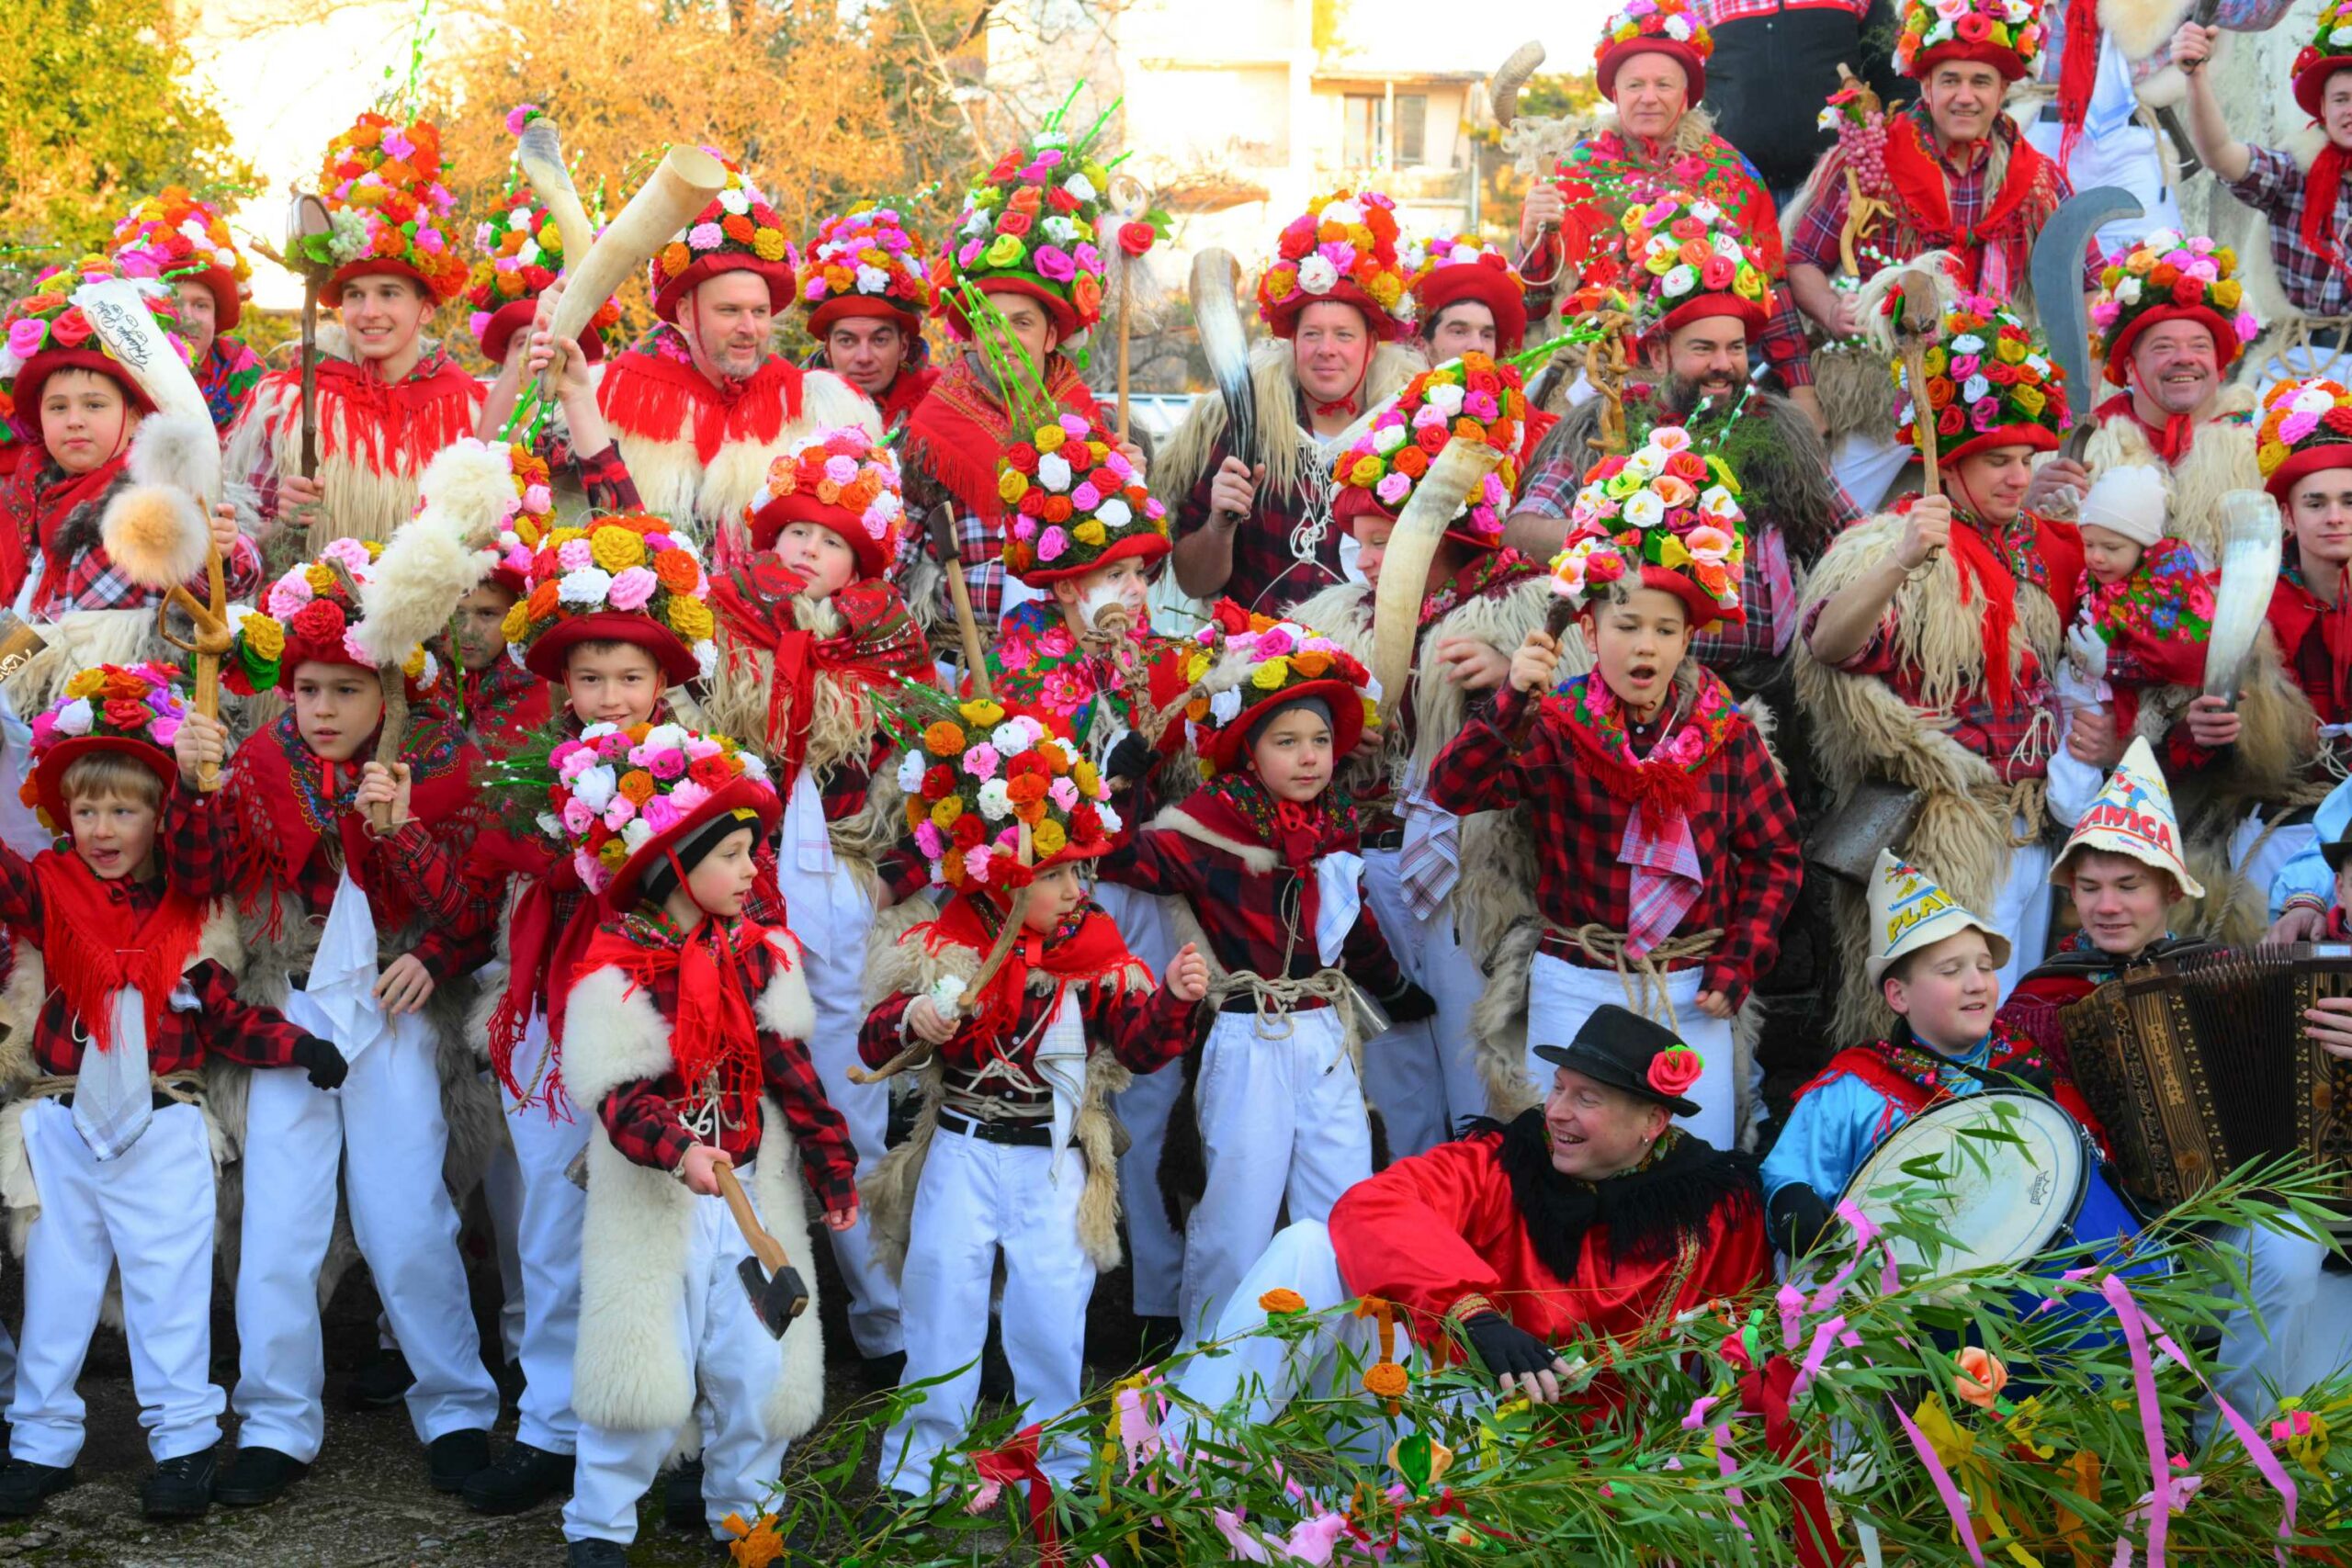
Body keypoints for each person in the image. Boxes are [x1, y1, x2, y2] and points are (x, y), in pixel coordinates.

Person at [166, 541, 501, 1506]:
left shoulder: (435, 765)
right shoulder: (254, 764)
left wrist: (427, 942)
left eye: (344, 691)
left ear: (387, 693)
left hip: (392, 1016)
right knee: (278, 1228)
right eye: (306, 688)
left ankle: (455, 1408)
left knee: (408, 1222)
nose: (320, 709)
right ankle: (275, 1420)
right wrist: (198, 789)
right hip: (288, 1005)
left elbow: (469, 911)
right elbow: (197, 881)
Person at [0, 665, 342, 1522]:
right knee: (55, 1291)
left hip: (164, 1120)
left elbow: (226, 1019)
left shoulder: (194, 910)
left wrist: (300, 1045)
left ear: (158, 816)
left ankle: (184, 1443)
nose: (103, 828)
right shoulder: (48, 888)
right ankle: (39, 1443)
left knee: (170, 1291)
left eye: (124, 810)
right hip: (64, 1118)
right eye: (86, 811)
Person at [447, 500, 725, 1513]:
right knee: (554, 1232)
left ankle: (684, 1442)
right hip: (551, 1015)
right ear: (561, 683)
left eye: (632, 678)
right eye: (590, 678)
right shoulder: (526, 779)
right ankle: (556, 1426)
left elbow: (744, 895)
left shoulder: (711, 782)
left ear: (666, 682)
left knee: (671, 1232)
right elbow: (489, 864)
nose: (610, 697)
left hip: (667, 1020)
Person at [860, 705, 1207, 1496]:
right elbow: (874, 1045)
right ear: (1001, 877)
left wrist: (1179, 1001)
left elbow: (1144, 1047)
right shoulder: (942, 941)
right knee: (941, 1306)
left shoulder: (1094, 947)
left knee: (1052, 1317)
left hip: (1054, 1159)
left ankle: (1055, 1468)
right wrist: (913, 1016)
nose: (1075, 886)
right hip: (961, 1148)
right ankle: (920, 1472)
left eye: (1078, 869)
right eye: (1053, 872)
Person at [1426, 424, 1802, 1149]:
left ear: (1688, 638)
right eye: (1627, 624)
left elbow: (1777, 853)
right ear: (1591, 632)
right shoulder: (1557, 721)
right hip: (1580, 978)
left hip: (1695, 985)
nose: (1646, 646)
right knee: (1575, 1161)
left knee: (1693, 1169)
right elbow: (1455, 789)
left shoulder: (1728, 733)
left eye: (1666, 629)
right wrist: (1508, 704)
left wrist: (1742, 954)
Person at [548, 727, 858, 1568]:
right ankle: (601, 1524)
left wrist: (833, 1162)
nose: (754, 870)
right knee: (643, 1373)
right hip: (660, 1201)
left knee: (757, 1362)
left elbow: (794, 1075)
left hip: (750, 1195)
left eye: (752, 852)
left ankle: (744, 1514)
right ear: (676, 867)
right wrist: (678, 1147)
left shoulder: (762, 958)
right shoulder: (616, 970)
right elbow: (619, 1098)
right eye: (733, 853)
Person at [1176, 1004, 1767, 1435]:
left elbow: (1745, 1364)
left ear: (1653, 1122)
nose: (1555, 1112)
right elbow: (1372, 1206)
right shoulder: (1505, 1163)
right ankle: (1177, 1474)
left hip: (1595, 1471)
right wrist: (1473, 1314)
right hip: (1449, 1409)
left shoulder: (1712, 1212)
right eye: (1558, 1088)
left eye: (1586, 1099)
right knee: (1309, 1244)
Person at [1099, 607, 1433, 1341]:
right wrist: (1128, 783)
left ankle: (1342, 1376)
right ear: (1247, 749)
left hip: (1322, 1034)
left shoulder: (1333, 822)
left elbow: (1352, 925)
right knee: (1236, 1211)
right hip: (1249, 1033)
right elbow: (1126, 860)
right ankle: (1213, 1385)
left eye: (1320, 740)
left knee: (1344, 1199)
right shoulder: (1210, 821)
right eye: (1286, 741)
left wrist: (1396, 987)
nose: (1308, 756)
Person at [1997, 742, 2327, 1427]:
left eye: (2129, 886)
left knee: (2293, 1247)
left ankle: (2231, 1454)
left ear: (2170, 892)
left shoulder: (2229, 971)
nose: (2107, 906)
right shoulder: (2039, 1000)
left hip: (2221, 1220)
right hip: (2108, 1231)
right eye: (2090, 888)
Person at [698, 427, 934, 1376]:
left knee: (850, 1102)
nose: (805, 553)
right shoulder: (718, 631)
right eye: (794, 533)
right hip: (737, 884)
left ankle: (885, 1324)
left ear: (860, 560)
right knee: (734, 1091)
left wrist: (889, 876)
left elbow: (935, 786)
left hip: (839, 887)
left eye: (830, 542)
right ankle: (757, 1339)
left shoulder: (891, 651)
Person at [1796, 294, 2082, 1042]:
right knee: (1934, 1035)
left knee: (2012, 1025)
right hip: (1942, 824)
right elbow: (1830, 644)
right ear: (1950, 462)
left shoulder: (2044, 547)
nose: (2018, 478)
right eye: (1998, 461)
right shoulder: (1889, 543)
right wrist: (1899, 560)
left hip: (2032, 825)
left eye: (2027, 460)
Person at [1292, 354, 1550, 1158]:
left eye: (1382, 542)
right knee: (1394, 1066)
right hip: (1367, 867)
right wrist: (1331, 734)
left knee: (1481, 1060)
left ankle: (1495, 1208)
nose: (1367, 560)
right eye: (1360, 541)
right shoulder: (1332, 616)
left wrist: (1510, 680)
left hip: (1470, 875)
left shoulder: (1523, 605)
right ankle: (1414, 1205)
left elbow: (1575, 724)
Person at [980, 411, 1194, 1331]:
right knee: (1050, 1084)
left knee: (1148, 1085)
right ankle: (1038, 1299)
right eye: (1105, 574)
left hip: (1143, 898)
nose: (1126, 591)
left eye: (1138, 573)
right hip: (1051, 904)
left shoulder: (1167, 657)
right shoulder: (1020, 657)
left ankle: (1151, 1293)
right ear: (1062, 585)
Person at [1507, 193, 1853, 686]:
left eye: (1735, 348)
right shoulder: (1607, 422)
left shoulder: (1779, 429)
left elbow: (1848, 539)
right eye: (1703, 348)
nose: (1723, 364)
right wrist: (1621, 527)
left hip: (1766, 683)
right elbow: (1521, 533)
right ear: (1659, 353)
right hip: (1632, 683)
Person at [1783, 0, 2098, 508]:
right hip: (1884, 384)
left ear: (2004, 91)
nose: (1965, 97)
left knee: (2057, 510)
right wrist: (1833, 313)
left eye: (1981, 81)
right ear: (1924, 87)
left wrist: (2082, 404)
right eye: (1950, 80)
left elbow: (2084, 286)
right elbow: (1799, 260)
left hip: (1996, 386)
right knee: (1832, 514)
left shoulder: (2039, 180)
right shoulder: (1869, 160)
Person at [1760, 850, 2107, 1257]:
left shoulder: (2028, 1066)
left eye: (1984, 966)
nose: (1977, 983)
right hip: (1899, 1301)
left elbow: (2088, 1175)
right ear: (1899, 994)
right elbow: (1789, 1174)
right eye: (1951, 971)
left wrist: (2044, 1118)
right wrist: (1789, 1204)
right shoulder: (1854, 1091)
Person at [1532, 0, 1821, 423]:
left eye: (1663, 85)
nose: (1648, 98)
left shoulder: (1733, 174)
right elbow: (1536, 304)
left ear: (1687, 95)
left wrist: (1803, 392)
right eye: (1634, 86)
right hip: (1600, 379)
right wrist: (1530, 236)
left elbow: (1772, 288)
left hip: (1709, 384)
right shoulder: (1575, 172)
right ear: (1615, 93)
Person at [902, 121, 1135, 645]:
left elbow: (1139, 572)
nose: (1002, 338)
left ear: (1053, 334)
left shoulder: (1101, 427)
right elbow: (896, 567)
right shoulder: (927, 433)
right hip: (966, 658)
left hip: (1077, 660)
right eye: (989, 321)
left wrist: (1133, 498)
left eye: (1022, 323)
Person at [223, 110, 483, 553]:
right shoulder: (288, 404)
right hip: (305, 614)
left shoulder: (466, 408)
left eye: (389, 293)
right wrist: (282, 524)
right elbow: (240, 546)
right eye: (355, 295)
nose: (369, 312)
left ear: (425, 308)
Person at [1159, 188, 1424, 614]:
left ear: (1371, 347)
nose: (1326, 349)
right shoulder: (1244, 427)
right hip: (1256, 664)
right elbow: (1193, 582)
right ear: (1292, 343)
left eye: (1344, 335)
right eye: (1312, 334)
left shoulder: (1408, 433)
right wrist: (1219, 525)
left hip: (1373, 666)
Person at [594, 156, 876, 540]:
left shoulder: (811, 405)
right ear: (685, 313)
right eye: (729, 311)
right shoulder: (618, 392)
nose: (749, 329)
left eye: (759, 312)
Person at [0, 256, 259, 626]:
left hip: (136, 676)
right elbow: (28, 614)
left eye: (94, 405)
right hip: (49, 675)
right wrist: (9, 674)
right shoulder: (30, 496)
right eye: (57, 408)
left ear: (135, 417)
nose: (74, 421)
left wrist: (225, 550)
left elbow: (226, 584)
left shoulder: (164, 491)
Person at [2022, 0, 2294, 253]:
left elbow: (2254, 12)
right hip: (2039, 131)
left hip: (2128, 141)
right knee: (2027, 279)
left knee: (2151, 274)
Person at [2173, 13, 2352, 361]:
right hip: (2302, 359)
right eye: (2342, 99)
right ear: (2322, 108)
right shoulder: (2293, 172)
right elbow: (2222, 154)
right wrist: (2196, 77)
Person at [2047, 463, 2214, 827]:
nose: (2096, 557)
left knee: (2075, 782)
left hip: (2119, 701)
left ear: (2145, 545)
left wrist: (2109, 663)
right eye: (2088, 544)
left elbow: (2174, 656)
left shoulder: (2165, 587)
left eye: (2111, 546)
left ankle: (2083, 814)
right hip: (2077, 684)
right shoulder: (2105, 575)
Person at [1697, 0, 1911, 205]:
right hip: (1736, 188)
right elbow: (1675, 85)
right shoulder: (1694, 5)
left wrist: (1900, 155)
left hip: (1843, 184)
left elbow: (1894, 74)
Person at [107, 186, 262, 438]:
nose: (187, 318)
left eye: (201, 305)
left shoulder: (243, 371)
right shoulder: (116, 371)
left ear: (215, 315)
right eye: (172, 303)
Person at [798, 202, 937, 435]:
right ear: (828, 349)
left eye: (879, 340)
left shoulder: (939, 407)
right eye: (847, 341)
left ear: (903, 346)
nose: (864, 358)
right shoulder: (793, 407)